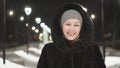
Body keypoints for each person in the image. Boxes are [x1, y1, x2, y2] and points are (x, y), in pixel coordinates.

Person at [37, 2, 106, 68]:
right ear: (61, 26)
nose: (71, 29)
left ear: (81, 28)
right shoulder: (49, 51)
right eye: (68, 24)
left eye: (76, 25)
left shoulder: (92, 50)